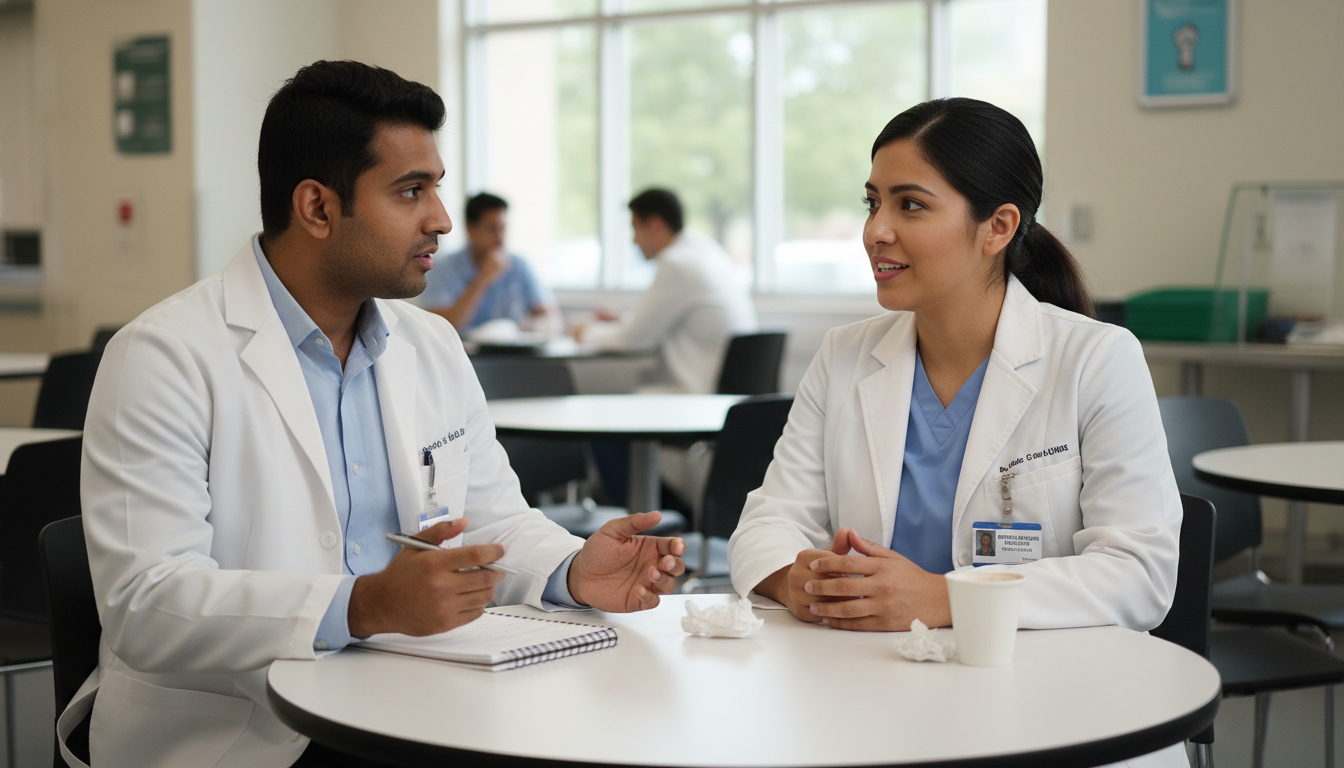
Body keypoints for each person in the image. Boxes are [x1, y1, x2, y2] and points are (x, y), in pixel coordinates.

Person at [67, 61, 685, 768]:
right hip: (239, 737)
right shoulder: (163, 356)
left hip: (413, 701)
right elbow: (149, 604)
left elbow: (492, 521)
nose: (442, 221)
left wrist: (573, 569)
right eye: (410, 191)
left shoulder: (431, 346)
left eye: (437, 188)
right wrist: (363, 606)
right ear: (318, 208)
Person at [727, 97, 1182, 768]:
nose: (877, 231)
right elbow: (767, 523)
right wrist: (799, 580)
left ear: (997, 226)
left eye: (910, 205)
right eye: (872, 201)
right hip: (871, 695)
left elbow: (1139, 574)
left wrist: (943, 597)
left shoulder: (1095, 358)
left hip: (1054, 704)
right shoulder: (845, 356)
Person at [581, 188, 757, 394]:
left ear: (655, 225)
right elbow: (668, 324)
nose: (634, 241)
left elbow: (633, 341)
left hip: (694, 394)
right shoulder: (705, 250)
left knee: (608, 397)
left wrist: (585, 333)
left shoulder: (677, 264)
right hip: (723, 389)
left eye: (635, 228)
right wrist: (625, 319)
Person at [419, 192, 557, 333]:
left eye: (503, 229)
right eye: (492, 229)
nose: (500, 239)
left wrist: (519, 330)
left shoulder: (519, 265)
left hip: (510, 354)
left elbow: (550, 319)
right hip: (461, 353)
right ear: (470, 229)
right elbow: (437, 326)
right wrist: (483, 279)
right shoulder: (442, 268)